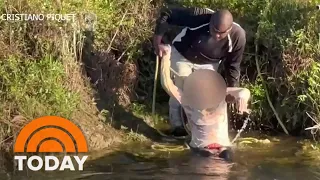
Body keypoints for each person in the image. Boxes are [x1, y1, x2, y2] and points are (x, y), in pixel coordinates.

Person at [153, 6, 247, 136]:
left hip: (209, 63)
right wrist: (157, 41)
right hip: (182, 54)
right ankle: (177, 126)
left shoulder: (238, 36)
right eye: (214, 30)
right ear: (211, 22)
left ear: (229, 29)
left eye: (221, 33)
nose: (217, 35)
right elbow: (167, 14)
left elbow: (233, 65)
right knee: (182, 87)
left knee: (204, 94)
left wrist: (233, 90)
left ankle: (199, 128)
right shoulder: (198, 16)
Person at [160, 45, 251, 160]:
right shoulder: (187, 100)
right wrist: (166, 57)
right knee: (207, 157)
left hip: (224, 147)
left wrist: (242, 98)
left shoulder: (221, 95)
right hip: (201, 149)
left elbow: (243, 91)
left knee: (226, 156)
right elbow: (166, 84)